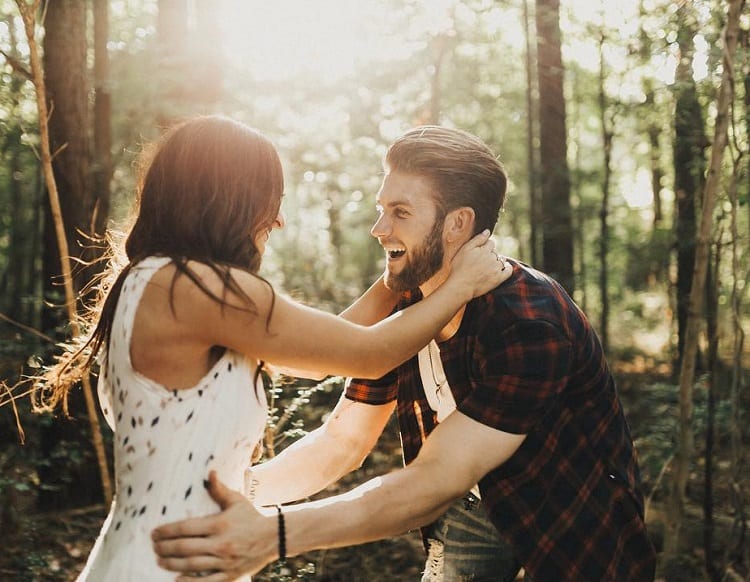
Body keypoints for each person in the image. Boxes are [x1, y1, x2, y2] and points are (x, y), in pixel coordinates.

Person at [151, 125, 657, 582]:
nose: (379, 228)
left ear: (457, 224)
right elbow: (343, 442)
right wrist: (238, 494)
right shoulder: (411, 304)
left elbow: (434, 480)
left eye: (400, 212)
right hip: (471, 511)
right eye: (381, 208)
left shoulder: (529, 323)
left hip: (569, 534)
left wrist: (272, 534)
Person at [33, 116, 508, 582]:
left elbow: (323, 353)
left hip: (170, 552)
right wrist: (459, 285)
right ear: (227, 199)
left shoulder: (159, 281)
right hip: (168, 562)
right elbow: (370, 353)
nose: (277, 220)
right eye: (269, 201)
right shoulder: (197, 288)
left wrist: (397, 277)